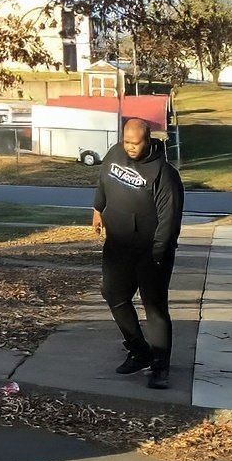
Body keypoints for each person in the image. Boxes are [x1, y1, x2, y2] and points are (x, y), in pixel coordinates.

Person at [92, 115, 184, 389]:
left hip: (151, 251)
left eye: (136, 143)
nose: (130, 147)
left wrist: (158, 254)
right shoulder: (115, 153)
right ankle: (138, 349)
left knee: (154, 308)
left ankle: (160, 367)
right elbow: (103, 182)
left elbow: (170, 221)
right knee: (113, 295)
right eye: (126, 141)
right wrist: (97, 209)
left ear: (148, 140)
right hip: (118, 245)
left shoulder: (164, 174)